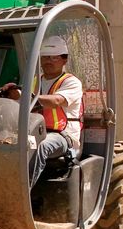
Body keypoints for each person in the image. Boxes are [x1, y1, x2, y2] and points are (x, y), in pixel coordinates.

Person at [30, 36, 83, 188]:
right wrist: (15, 92)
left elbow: (57, 101)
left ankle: (21, 195)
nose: (48, 61)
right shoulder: (34, 81)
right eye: (45, 57)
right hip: (36, 131)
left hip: (63, 136)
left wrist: (28, 96)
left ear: (64, 60)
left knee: (41, 146)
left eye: (54, 57)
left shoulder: (71, 82)